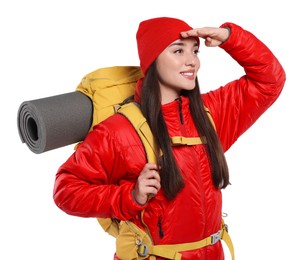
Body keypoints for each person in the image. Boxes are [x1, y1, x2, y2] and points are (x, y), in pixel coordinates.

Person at [53, 17, 286, 259]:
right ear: (153, 60)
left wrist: (231, 38)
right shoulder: (119, 131)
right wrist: (130, 196)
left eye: (195, 51)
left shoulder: (210, 115)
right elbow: (66, 190)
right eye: (178, 50)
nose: (192, 61)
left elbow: (270, 81)